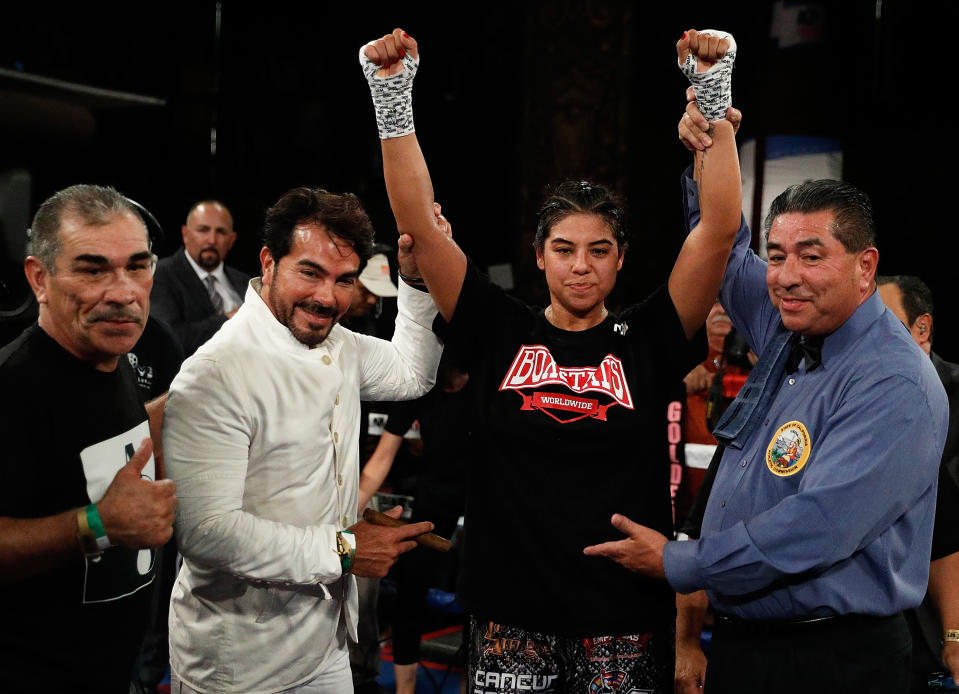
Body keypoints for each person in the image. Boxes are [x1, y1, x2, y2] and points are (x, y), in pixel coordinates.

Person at [360, 28, 742, 693]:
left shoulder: (648, 335)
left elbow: (719, 227)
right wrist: (392, 96)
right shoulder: (497, 326)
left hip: (621, 614)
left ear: (620, 260)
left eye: (598, 250)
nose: (580, 265)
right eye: (564, 248)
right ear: (538, 255)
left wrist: (713, 93)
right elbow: (418, 223)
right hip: (511, 613)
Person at [583, 55, 949, 692]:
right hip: (753, 646)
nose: (785, 275)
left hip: (835, 661)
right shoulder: (791, 324)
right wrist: (710, 129)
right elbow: (720, 239)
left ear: (867, 267)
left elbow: (818, 528)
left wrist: (679, 560)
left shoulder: (895, 382)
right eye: (778, 256)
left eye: (812, 256)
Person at [163, 186, 444, 693]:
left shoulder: (340, 343)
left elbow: (412, 374)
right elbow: (206, 534)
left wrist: (417, 278)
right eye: (309, 272)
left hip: (326, 647)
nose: (327, 297)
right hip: (238, 666)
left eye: (344, 281)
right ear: (268, 262)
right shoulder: (214, 373)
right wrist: (343, 550)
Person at [0, 184, 178, 693]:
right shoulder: (14, 387)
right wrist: (96, 523)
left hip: (113, 668)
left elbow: (90, 445)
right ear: (39, 278)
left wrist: (179, 407)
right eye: (92, 269)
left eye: (138, 266)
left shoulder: (111, 356)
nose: (123, 292)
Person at [878, 275, 959, 690]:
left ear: (921, 328)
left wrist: (955, 634)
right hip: (871, 637)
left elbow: (945, 524)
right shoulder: (854, 402)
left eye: (884, 322)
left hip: (941, 641)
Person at [150, 199, 250, 356]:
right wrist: (230, 319)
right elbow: (169, 338)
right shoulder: (161, 275)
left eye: (221, 232)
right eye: (203, 230)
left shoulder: (246, 282)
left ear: (232, 240)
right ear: (185, 234)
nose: (212, 240)